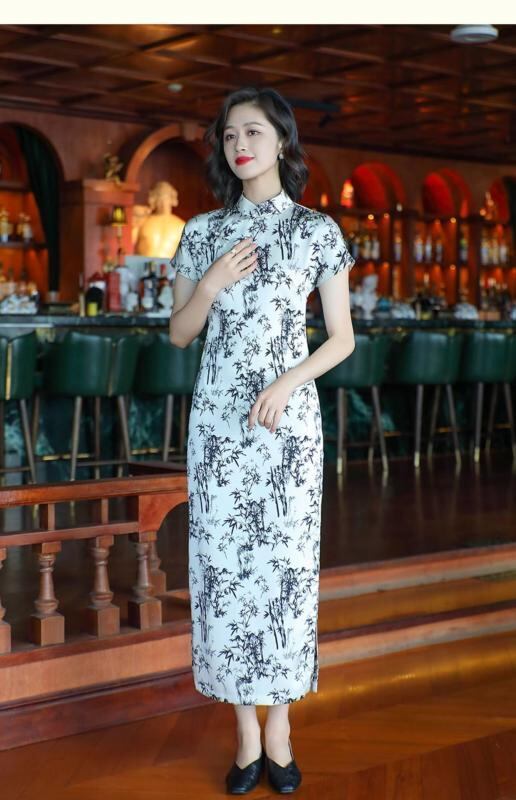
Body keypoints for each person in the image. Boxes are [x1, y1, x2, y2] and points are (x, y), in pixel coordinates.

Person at [169, 86, 355, 794]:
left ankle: (280, 726)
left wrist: (287, 383)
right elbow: (179, 333)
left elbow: (342, 339)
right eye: (228, 135)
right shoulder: (201, 232)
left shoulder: (317, 231)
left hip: (287, 428)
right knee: (222, 572)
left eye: (253, 131)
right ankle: (245, 731)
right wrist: (210, 284)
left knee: (284, 572)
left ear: (282, 141)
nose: (239, 144)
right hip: (218, 425)